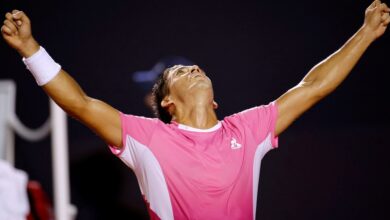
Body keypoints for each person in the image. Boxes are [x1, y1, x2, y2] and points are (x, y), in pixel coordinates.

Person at [2, 0, 389, 219]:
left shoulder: (247, 129)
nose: (194, 68)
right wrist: (31, 50)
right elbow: (80, 104)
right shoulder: (146, 136)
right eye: (180, 73)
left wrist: (366, 33)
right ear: (167, 103)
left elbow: (314, 87)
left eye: (197, 68)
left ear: (216, 101)